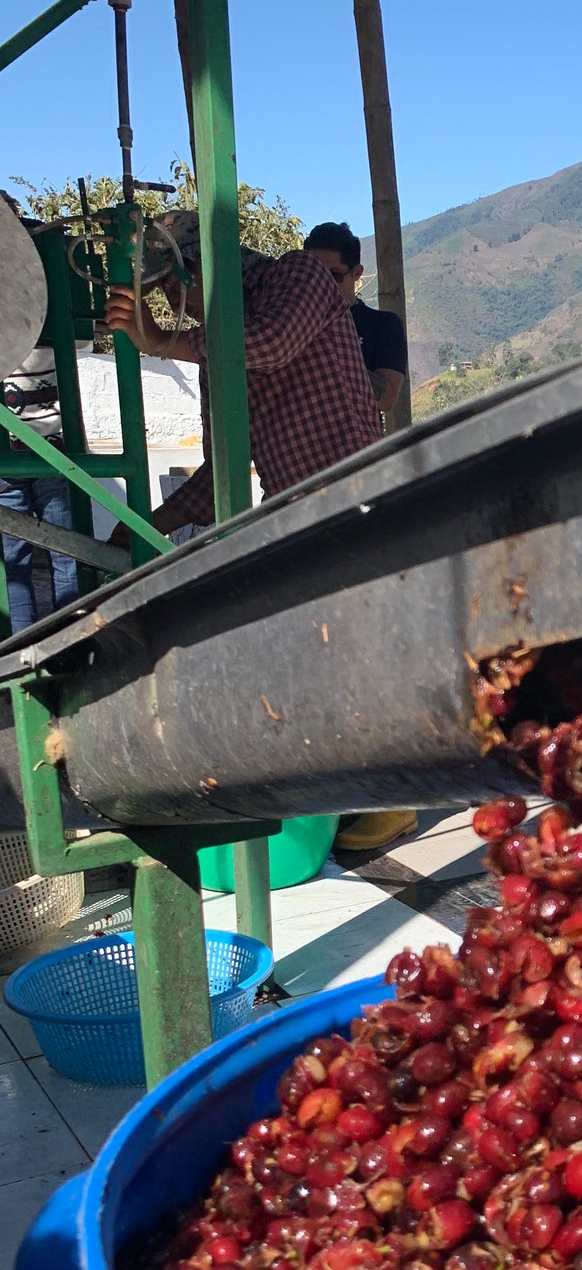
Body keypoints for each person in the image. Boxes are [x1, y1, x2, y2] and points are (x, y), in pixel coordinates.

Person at [104, 210, 416, 851]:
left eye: (173, 288)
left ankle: (400, 793)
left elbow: (271, 345)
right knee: (322, 656)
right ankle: (353, 787)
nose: (174, 306)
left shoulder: (296, 276)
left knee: (363, 650)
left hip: (354, 499)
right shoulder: (219, 343)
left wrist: (162, 344)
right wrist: (145, 527)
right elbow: (223, 465)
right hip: (296, 513)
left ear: (202, 268)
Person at [0, 198, 80, 632]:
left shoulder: (24, 324)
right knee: (61, 552)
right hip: (50, 451)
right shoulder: (43, 311)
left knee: (19, 557)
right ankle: (63, 640)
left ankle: (25, 644)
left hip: (37, 454)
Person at [303, 221, 407, 423]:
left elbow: (387, 398)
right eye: (313, 273)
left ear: (357, 273)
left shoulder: (382, 325)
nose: (321, 282)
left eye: (333, 275)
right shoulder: (289, 319)